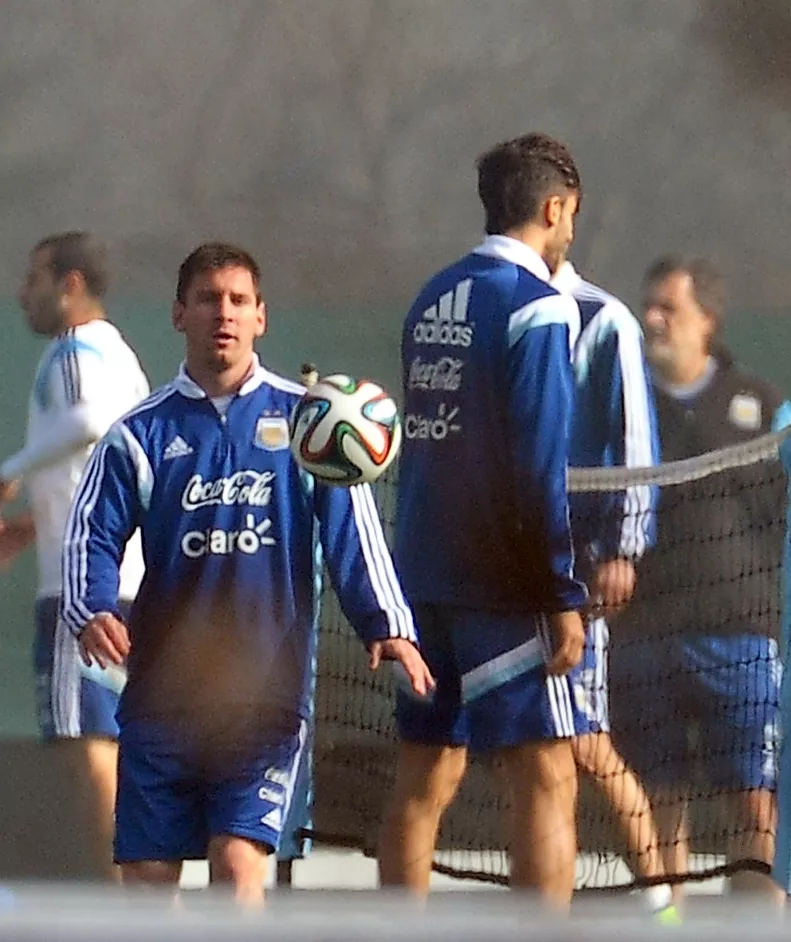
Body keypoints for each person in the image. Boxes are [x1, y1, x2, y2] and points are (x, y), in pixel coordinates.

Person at [60, 242, 433, 907]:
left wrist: (388, 624)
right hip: (160, 705)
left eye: (238, 301)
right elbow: (90, 532)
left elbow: (355, 535)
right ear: (178, 314)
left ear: (261, 317)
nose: (222, 315)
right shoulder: (137, 435)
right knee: (145, 886)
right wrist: (92, 607)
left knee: (237, 869)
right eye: (207, 299)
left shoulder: (309, 423)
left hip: (264, 704)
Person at [377, 132, 587, 909]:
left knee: (423, 772)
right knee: (546, 771)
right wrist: (559, 591)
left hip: (420, 574)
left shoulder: (431, 296)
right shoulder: (538, 308)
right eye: (570, 218)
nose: (571, 234)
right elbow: (538, 464)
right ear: (553, 207)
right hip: (501, 586)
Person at [610, 255, 790, 904]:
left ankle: (759, 925)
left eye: (669, 308)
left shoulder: (762, 406)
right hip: (642, 637)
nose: (652, 318)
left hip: (738, 641)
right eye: (647, 306)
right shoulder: (621, 406)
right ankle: (666, 925)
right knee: (655, 800)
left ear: (706, 321)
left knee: (754, 802)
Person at [0, 231, 149, 878]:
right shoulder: (120, 356)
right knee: (108, 743)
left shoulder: (74, 350)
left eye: (32, 279)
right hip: (127, 583)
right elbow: (103, 460)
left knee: (86, 745)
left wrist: (11, 468)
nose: (20, 292)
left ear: (69, 286)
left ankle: (113, 897)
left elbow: (87, 424)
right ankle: (137, 891)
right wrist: (32, 523)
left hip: (79, 594)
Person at [550, 257, 675, 916]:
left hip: (575, 573)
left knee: (584, 740)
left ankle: (660, 903)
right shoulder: (494, 307)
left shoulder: (603, 320)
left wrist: (621, 549)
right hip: (504, 571)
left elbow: (631, 441)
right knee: (529, 753)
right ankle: (546, 898)